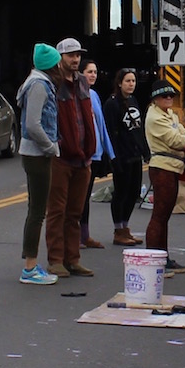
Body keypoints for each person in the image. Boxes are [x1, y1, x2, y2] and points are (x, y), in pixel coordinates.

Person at [44, 38, 97, 278]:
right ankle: (56, 260)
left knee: (75, 212)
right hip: (61, 157)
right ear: (60, 58)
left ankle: (72, 259)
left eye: (77, 55)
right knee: (57, 211)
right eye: (70, 55)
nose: (75, 59)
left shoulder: (82, 82)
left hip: (83, 157)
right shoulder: (52, 83)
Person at [15, 43, 61, 286]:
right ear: (51, 65)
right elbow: (33, 124)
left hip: (35, 153)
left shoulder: (37, 82)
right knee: (37, 212)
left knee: (37, 210)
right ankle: (30, 268)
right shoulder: (39, 86)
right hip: (37, 154)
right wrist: (50, 147)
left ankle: (31, 266)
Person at [142, 83, 185, 274]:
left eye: (171, 95)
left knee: (165, 215)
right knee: (159, 215)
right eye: (164, 96)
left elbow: (183, 133)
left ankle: (163, 257)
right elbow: (176, 140)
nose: (169, 98)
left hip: (172, 167)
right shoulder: (155, 117)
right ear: (155, 99)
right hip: (162, 168)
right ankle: (154, 259)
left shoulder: (170, 114)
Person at [104, 69, 149, 246]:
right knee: (121, 192)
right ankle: (118, 230)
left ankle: (125, 226)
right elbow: (110, 132)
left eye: (133, 81)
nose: (131, 84)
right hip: (122, 155)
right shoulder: (112, 103)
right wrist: (113, 157)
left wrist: (145, 151)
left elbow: (138, 129)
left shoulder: (133, 100)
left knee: (134, 192)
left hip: (135, 154)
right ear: (119, 83)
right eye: (127, 81)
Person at [78, 59, 114, 249]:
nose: (93, 75)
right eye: (89, 71)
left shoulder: (93, 95)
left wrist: (110, 152)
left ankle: (85, 235)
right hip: (83, 154)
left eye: (95, 72)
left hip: (96, 153)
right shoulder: (76, 94)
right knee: (79, 197)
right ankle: (75, 236)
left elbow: (101, 126)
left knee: (85, 197)